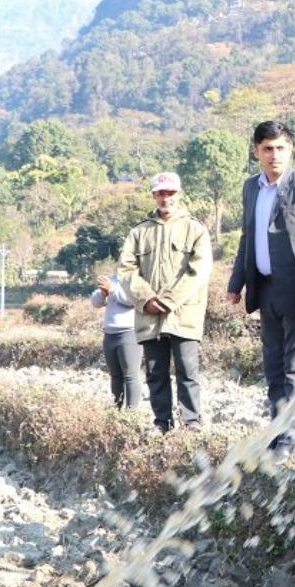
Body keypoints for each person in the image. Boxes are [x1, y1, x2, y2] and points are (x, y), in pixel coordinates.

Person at [226, 121, 295, 453]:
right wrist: (236, 283)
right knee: (273, 364)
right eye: (267, 148)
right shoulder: (252, 188)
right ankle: (278, 430)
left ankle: (291, 437)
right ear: (256, 152)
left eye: (280, 148)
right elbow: (247, 237)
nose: (274, 155)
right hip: (264, 289)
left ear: (290, 150)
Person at [119, 172, 214, 433]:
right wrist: (145, 298)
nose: (166, 198)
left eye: (170, 193)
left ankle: (191, 422)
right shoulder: (139, 232)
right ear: (154, 196)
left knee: (188, 370)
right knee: (155, 373)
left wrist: (169, 300)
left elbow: (199, 270)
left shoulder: (196, 229)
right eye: (161, 193)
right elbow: (126, 270)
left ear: (179, 194)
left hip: (184, 314)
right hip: (149, 316)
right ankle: (161, 422)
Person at [90, 273, 142, 410]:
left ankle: (131, 413)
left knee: (131, 375)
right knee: (115, 375)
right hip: (109, 333)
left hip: (129, 332)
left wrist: (112, 290)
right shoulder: (112, 278)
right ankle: (116, 411)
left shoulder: (137, 278)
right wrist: (103, 292)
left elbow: (133, 300)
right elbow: (95, 302)